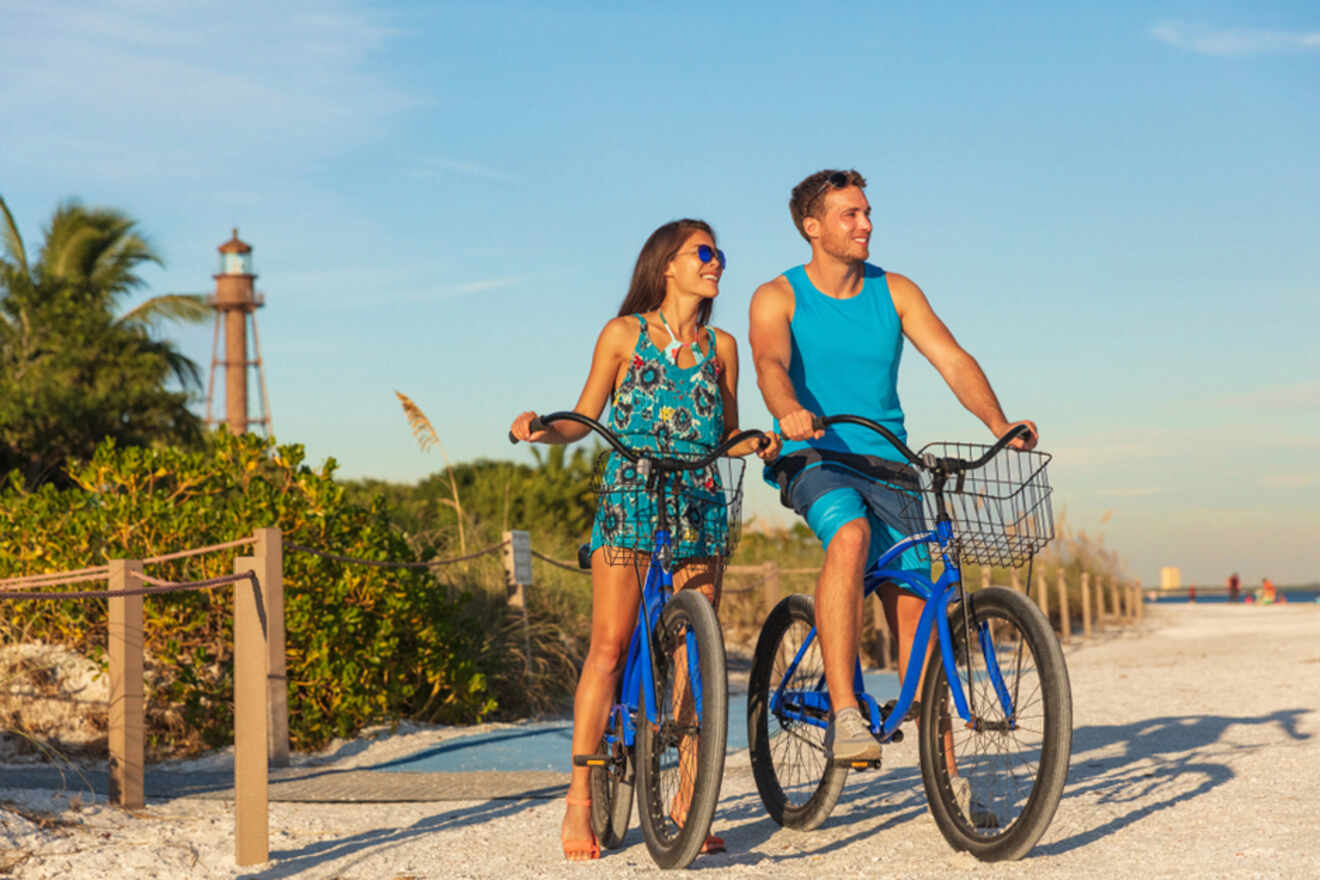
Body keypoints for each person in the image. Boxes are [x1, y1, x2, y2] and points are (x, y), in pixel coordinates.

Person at [510, 218, 781, 861]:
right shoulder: (623, 335)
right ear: (668, 265)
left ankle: (690, 798)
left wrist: (763, 443)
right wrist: (537, 428)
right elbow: (582, 421)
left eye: (719, 254)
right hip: (630, 496)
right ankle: (579, 799)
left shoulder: (724, 347)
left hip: (700, 501)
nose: (716, 263)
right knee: (607, 646)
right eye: (704, 253)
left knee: (695, 654)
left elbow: (729, 434)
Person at [748, 169, 1037, 768]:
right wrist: (790, 411)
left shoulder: (896, 290)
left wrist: (998, 423)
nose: (865, 224)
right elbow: (770, 363)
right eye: (850, 214)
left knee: (917, 609)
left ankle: (949, 780)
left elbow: (952, 359)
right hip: (817, 457)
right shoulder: (777, 295)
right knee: (849, 537)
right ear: (812, 226)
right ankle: (848, 714)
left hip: (890, 463)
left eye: (867, 212)